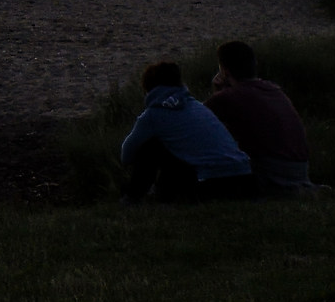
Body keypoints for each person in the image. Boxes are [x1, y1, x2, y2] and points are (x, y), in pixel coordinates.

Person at [119, 60, 257, 202]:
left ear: (148, 89)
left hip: (210, 182)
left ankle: (132, 197)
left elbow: (126, 156)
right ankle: (158, 191)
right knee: (176, 149)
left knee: (151, 147)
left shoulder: (153, 115)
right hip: (244, 179)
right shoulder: (198, 106)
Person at [206, 41, 312, 193]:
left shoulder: (229, 96)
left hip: (270, 172)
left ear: (224, 71)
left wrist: (218, 92)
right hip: (300, 169)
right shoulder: (273, 89)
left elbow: (199, 123)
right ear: (254, 64)